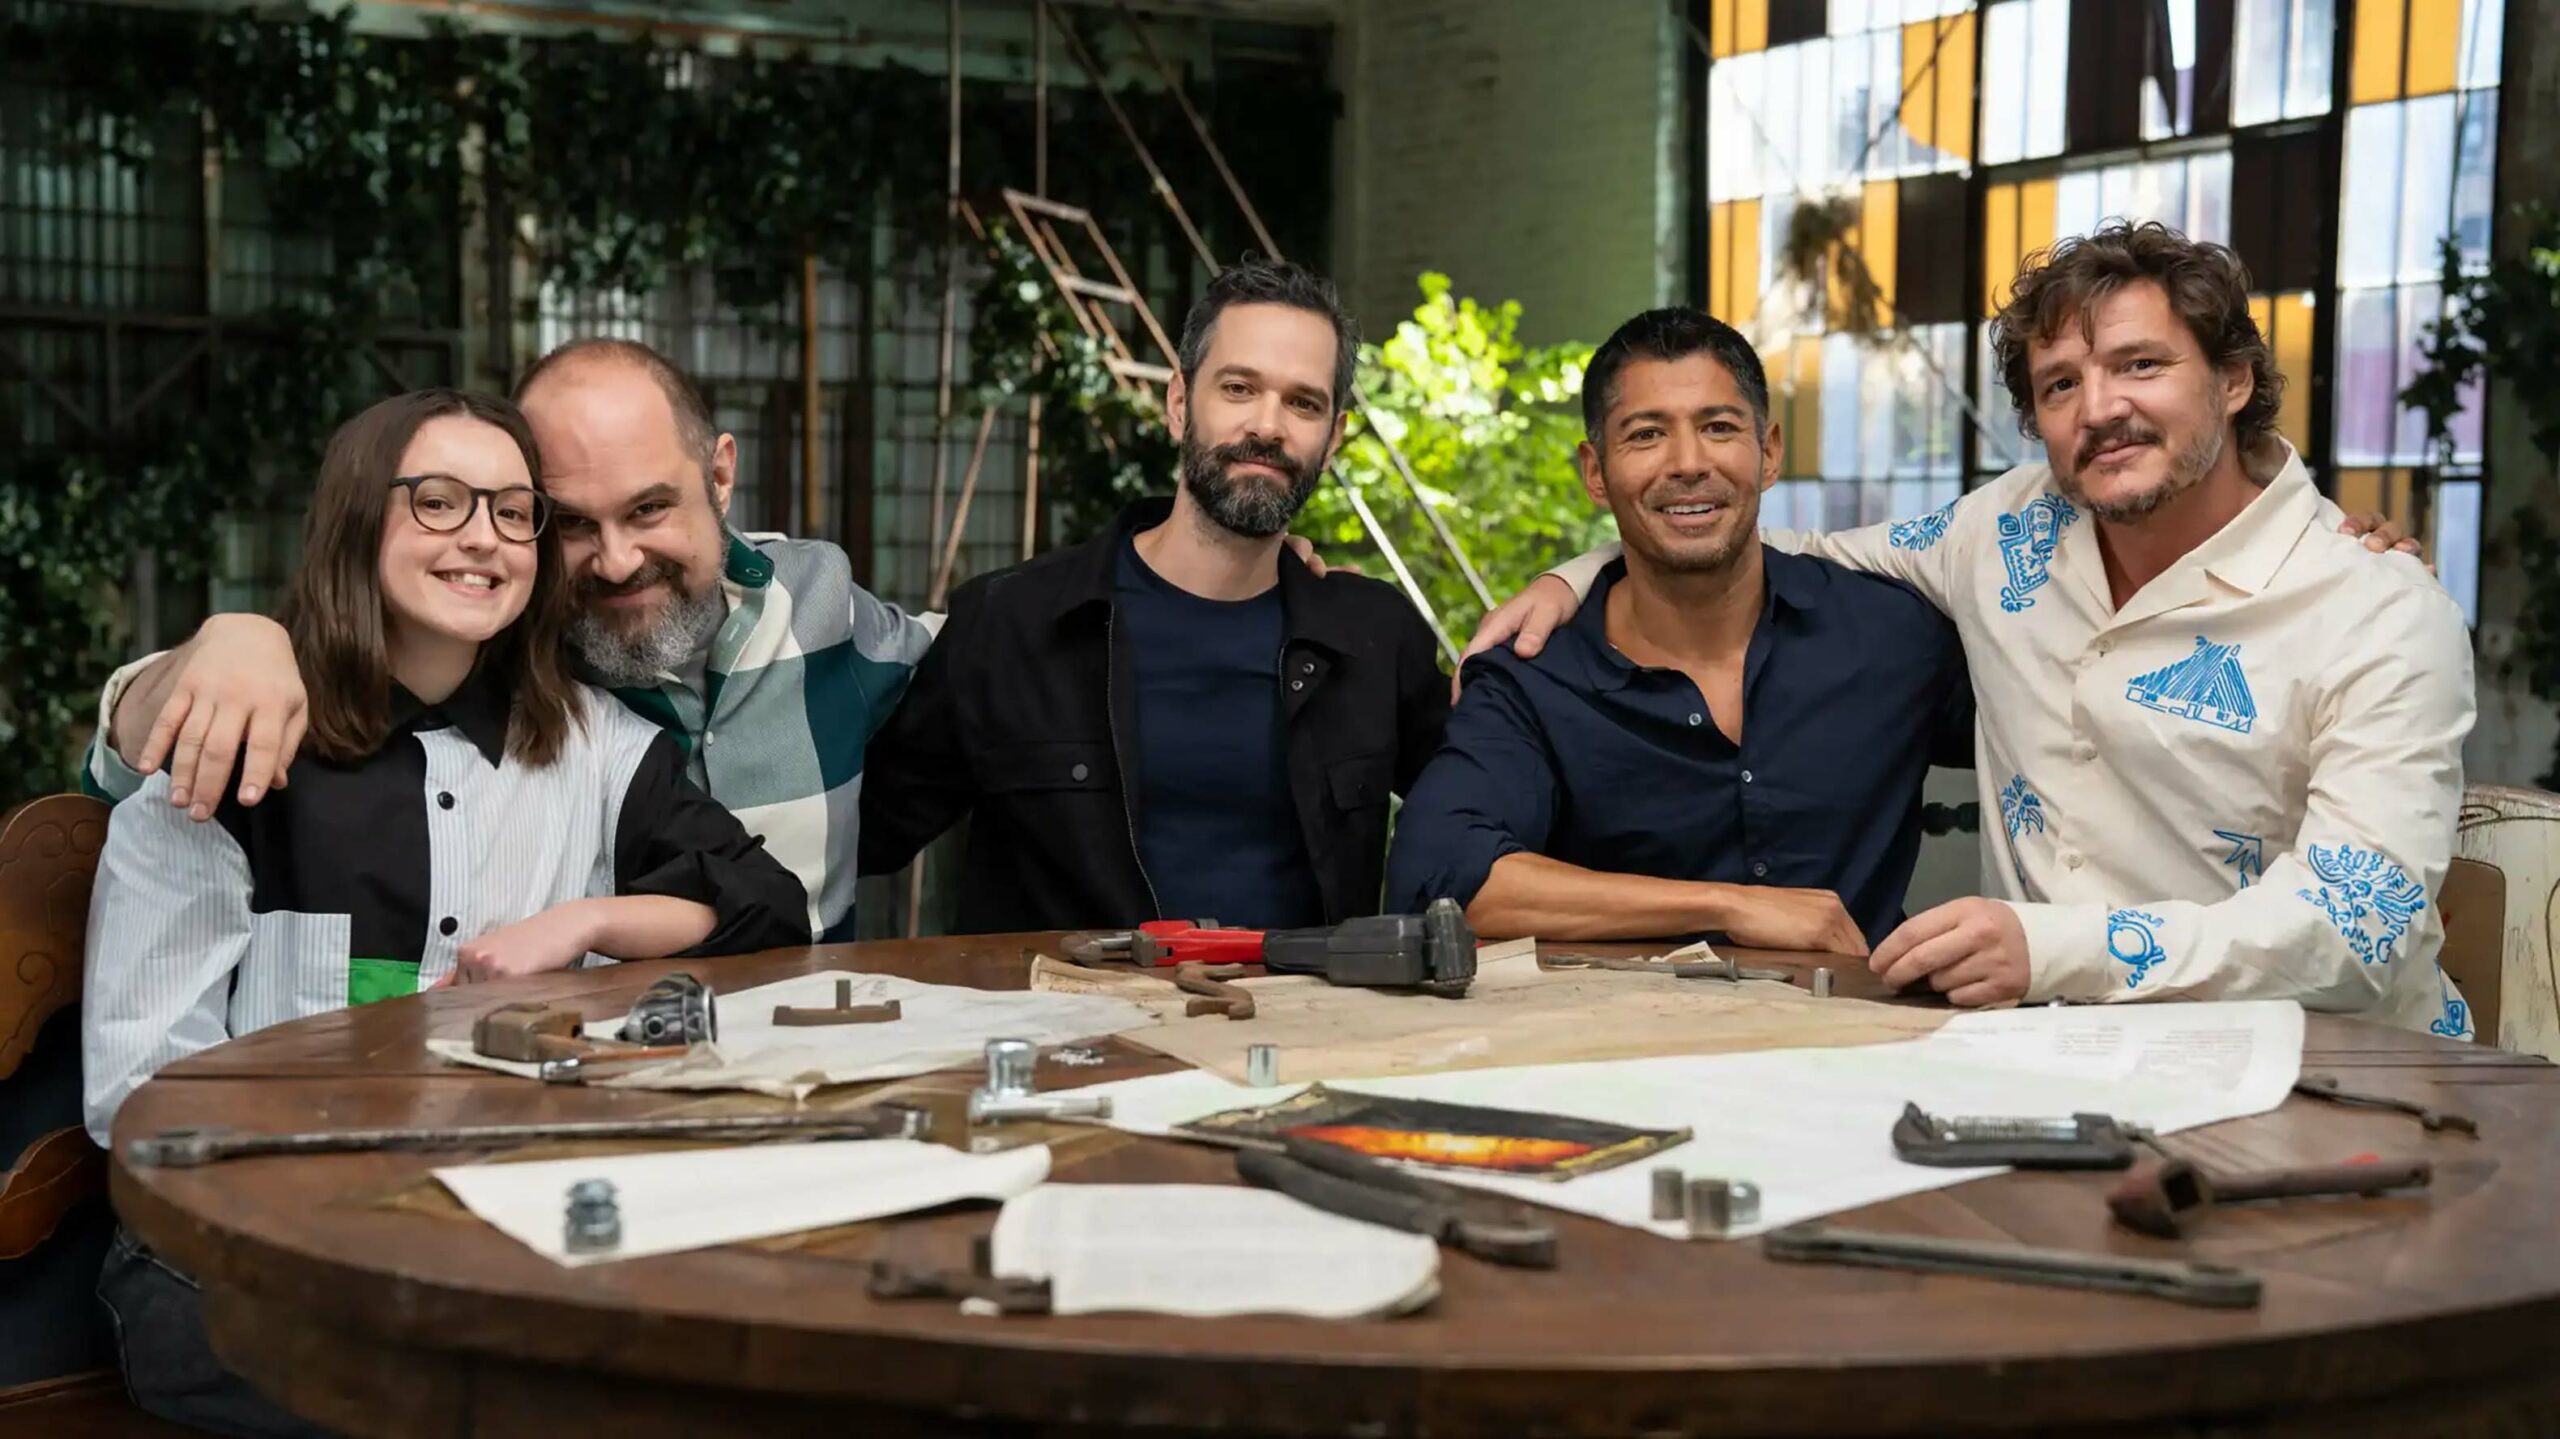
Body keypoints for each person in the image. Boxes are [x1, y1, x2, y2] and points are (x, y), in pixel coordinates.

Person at [1469, 223, 2474, 1036]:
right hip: (2057, 1061)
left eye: (2139, 364)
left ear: (2234, 379)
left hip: (2340, 1068)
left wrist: (2049, 951)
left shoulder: (2375, 606)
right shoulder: (2004, 531)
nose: (2101, 408)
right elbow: (1767, 544)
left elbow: (2357, 926)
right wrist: (1583, 569)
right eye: (2060, 385)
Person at [83, 388, 809, 1436]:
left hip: (501, 1238)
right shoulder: (240, 749)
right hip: (231, 1256)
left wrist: (588, 920)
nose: (484, 537)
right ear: (355, 519)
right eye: (439, 501)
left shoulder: (594, 744)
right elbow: (146, 1099)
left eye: (515, 512)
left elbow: (767, 915)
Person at [84, 340, 937, 940]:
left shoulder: (825, 605)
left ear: (719, 475)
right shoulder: (506, 649)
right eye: (567, 522)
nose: (615, 558)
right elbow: (135, 772)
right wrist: (223, 644)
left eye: (648, 508)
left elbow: (990, 661)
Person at [858, 258, 1449, 931]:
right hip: (1070, 1026)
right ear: (1178, 404)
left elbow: (1490, 827)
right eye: (1237, 388)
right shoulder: (1012, 623)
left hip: (1300, 1026)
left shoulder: (1373, 641)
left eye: (1303, 402)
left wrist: (1572, 580)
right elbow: (852, 834)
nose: (1268, 424)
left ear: (1334, 436)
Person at [1385, 309, 1964, 954]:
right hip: (1627, 1046)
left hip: (1871, 1041)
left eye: (1718, 427)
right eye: (1646, 435)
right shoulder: (1535, 676)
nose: (1688, 463)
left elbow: (2061, 717)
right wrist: (1727, 907)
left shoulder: (1889, 634)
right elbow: (1436, 874)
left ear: (1768, 452)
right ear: (1595, 472)